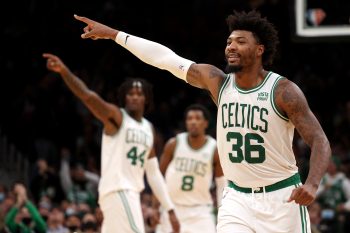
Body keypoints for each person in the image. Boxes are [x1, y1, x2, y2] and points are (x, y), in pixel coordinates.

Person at [73, 9, 331, 233]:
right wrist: (115, 34)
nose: (230, 46)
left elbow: (319, 140)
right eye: (229, 41)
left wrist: (312, 184)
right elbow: (165, 59)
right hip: (236, 199)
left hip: (282, 199)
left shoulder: (283, 91)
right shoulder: (217, 82)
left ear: (260, 50)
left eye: (240, 42)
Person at [42, 53, 180, 233]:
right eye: (130, 93)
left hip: (129, 194)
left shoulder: (149, 128)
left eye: (139, 93)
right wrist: (65, 72)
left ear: (146, 99)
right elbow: (88, 96)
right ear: (124, 97)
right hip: (119, 190)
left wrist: (169, 208)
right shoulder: (117, 116)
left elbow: (154, 174)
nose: (135, 97)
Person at [155, 104, 225, 233]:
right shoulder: (173, 144)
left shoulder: (215, 149)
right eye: (190, 118)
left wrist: (223, 213)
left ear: (206, 123)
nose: (193, 122)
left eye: (198, 118)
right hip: (172, 208)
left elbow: (221, 185)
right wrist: (155, 207)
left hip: (201, 211)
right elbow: (157, 178)